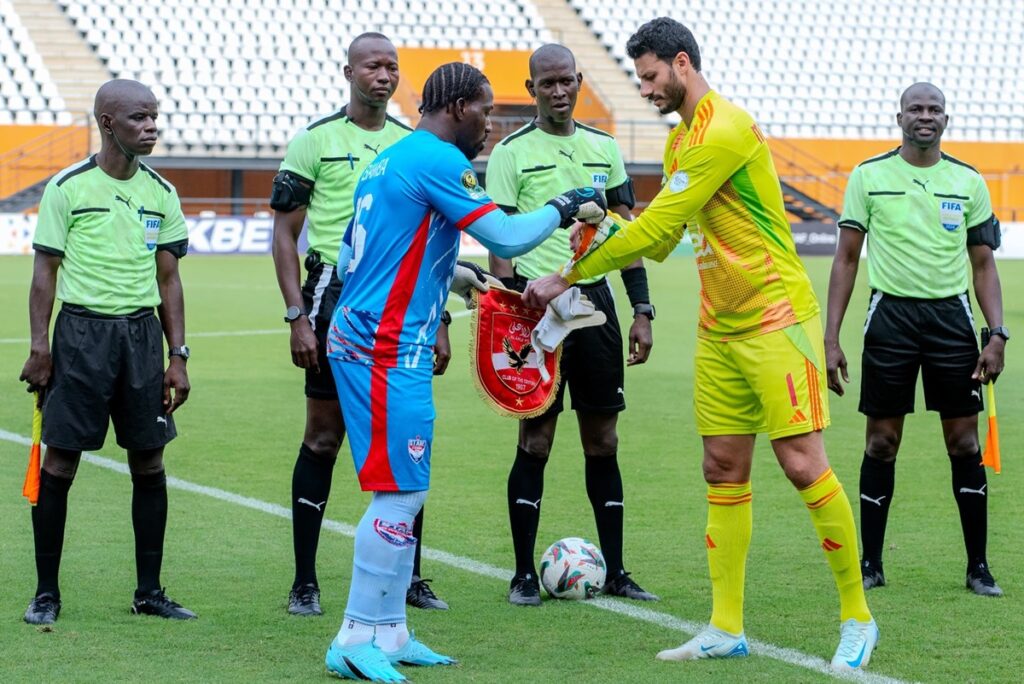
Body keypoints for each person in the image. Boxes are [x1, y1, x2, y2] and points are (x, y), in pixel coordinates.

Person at [524, 18, 878, 671]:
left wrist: (570, 273)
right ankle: (725, 626)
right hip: (719, 329)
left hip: (776, 317)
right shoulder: (682, 141)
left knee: (803, 465)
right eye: (641, 79)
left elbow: (661, 221)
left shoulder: (725, 128)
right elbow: (661, 238)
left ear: (682, 63)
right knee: (722, 469)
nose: (647, 89)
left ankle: (857, 615)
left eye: (652, 77)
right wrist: (606, 222)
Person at [321, 61, 606, 681]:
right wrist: (563, 205)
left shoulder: (388, 159)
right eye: (485, 110)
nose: (490, 124)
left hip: (386, 342)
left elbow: (364, 248)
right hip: (383, 347)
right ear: (456, 109)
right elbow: (505, 237)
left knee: (407, 490)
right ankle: (352, 636)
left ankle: (390, 632)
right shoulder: (438, 159)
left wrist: (455, 277)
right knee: (397, 494)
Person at [271, 32, 449, 615]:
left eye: (393, 67)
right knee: (322, 438)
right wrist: (297, 316)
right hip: (332, 295)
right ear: (347, 70)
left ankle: (410, 578)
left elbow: (434, 244)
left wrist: (441, 318)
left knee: (408, 442)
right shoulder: (314, 141)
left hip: (403, 305)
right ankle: (303, 580)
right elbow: (284, 233)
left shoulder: (410, 143)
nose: (384, 75)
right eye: (373, 65)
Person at [485, 44, 658, 606]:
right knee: (535, 439)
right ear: (531, 87)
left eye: (566, 81)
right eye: (547, 83)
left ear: (579, 81)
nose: (559, 91)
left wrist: (642, 310)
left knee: (603, 439)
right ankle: (521, 575)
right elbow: (501, 245)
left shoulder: (604, 147)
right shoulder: (510, 153)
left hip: (597, 307)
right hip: (536, 313)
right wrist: (512, 311)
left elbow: (625, 235)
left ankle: (619, 570)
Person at [18, 79, 194, 624]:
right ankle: (47, 593)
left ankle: (149, 593)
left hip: (141, 339)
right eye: (140, 118)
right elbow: (44, 272)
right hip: (81, 338)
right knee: (61, 459)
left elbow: (169, 280)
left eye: (155, 117)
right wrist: (40, 347)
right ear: (107, 123)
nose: (152, 127)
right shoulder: (68, 188)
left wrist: (178, 354)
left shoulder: (161, 192)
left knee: (149, 458)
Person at [825, 82, 1006, 597]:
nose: (924, 117)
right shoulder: (869, 176)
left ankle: (978, 567)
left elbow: (983, 264)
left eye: (934, 110)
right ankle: (871, 563)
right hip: (890, 320)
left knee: (964, 442)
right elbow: (846, 259)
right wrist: (831, 337)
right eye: (915, 109)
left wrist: (997, 335)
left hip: (952, 321)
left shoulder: (968, 181)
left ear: (946, 119)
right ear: (899, 116)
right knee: (881, 442)